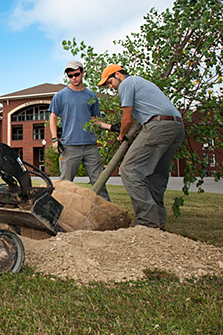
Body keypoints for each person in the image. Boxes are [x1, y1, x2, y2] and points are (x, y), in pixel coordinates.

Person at [98, 65, 185, 229]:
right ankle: (159, 223)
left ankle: (147, 221)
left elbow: (127, 119)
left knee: (130, 169)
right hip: (176, 126)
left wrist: (121, 135)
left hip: (159, 126)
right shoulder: (141, 82)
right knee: (156, 175)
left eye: (110, 82)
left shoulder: (126, 83)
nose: (111, 87)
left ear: (118, 75)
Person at [49, 60, 113, 201]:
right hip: (70, 146)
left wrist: (111, 127)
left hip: (90, 146)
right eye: (70, 76)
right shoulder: (60, 96)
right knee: (65, 183)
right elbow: (52, 117)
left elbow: (94, 120)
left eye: (76, 74)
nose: (73, 78)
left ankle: (107, 211)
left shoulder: (91, 96)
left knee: (99, 181)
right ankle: (60, 212)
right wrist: (54, 139)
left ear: (83, 73)